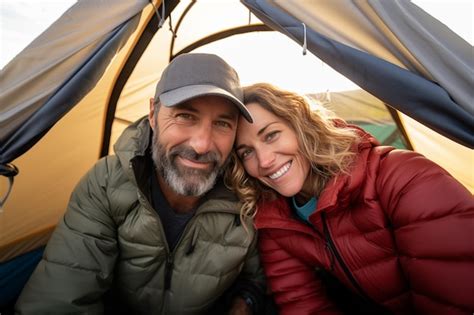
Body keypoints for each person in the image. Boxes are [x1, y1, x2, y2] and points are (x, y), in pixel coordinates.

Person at [15, 53, 266, 315]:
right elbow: (60, 299)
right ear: (153, 114)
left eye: (222, 123)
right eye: (185, 116)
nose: (202, 144)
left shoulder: (247, 195)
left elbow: (255, 281)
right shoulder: (106, 184)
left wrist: (245, 303)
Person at [226, 83, 474, 315]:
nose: (264, 161)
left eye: (271, 135)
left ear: (301, 126)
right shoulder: (275, 220)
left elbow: (455, 297)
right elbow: (304, 304)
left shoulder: (401, 178)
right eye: (247, 152)